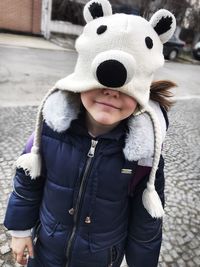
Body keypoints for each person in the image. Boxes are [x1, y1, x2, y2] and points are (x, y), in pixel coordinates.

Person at [4, 0, 177, 266]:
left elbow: (147, 221)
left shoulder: (144, 153)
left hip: (101, 258)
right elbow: (28, 179)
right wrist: (20, 230)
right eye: (100, 79)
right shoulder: (52, 126)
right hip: (46, 252)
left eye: (125, 87)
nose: (110, 92)